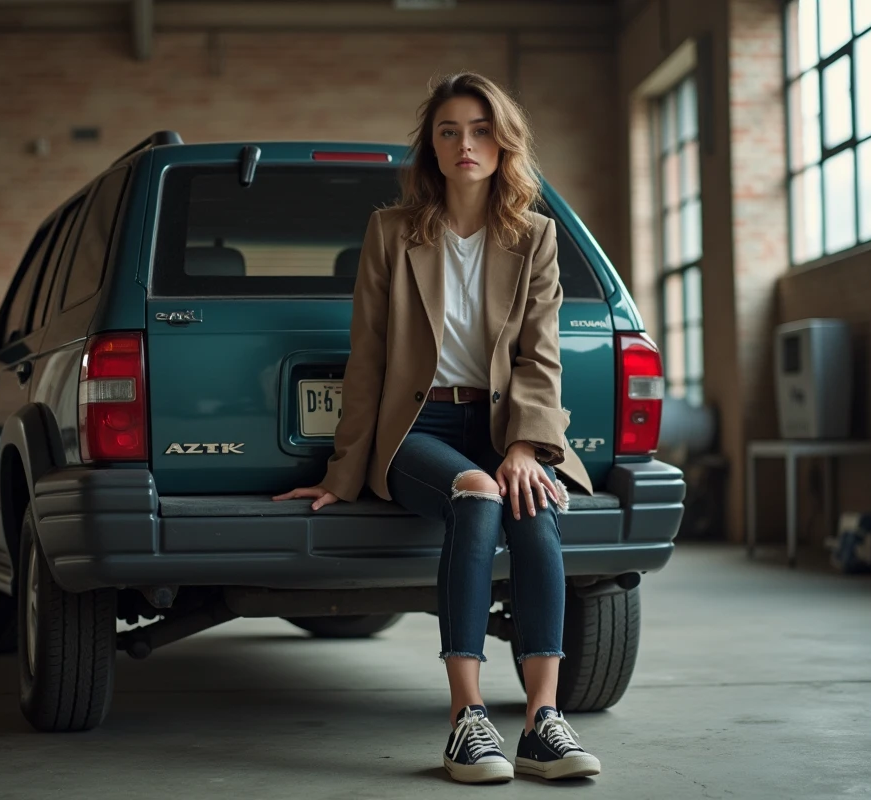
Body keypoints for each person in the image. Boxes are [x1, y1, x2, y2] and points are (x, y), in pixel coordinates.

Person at [273, 71, 600, 784]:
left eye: (480, 130)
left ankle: (542, 721)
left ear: (502, 142)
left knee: (532, 499)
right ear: (431, 145)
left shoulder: (534, 237)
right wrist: (341, 474)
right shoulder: (393, 233)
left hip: (501, 422)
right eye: (449, 131)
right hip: (418, 426)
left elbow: (539, 357)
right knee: (478, 492)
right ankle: (466, 719)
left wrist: (523, 449)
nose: (465, 144)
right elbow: (367, 360)